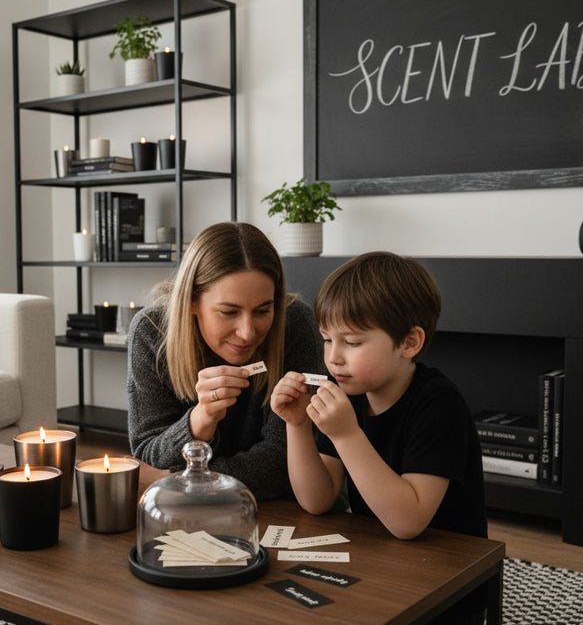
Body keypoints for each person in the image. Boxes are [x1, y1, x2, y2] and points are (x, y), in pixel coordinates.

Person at [271, 251, 487, 540]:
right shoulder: (350, 394)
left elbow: (408, 523)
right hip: (380, 555)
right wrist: (297, 426)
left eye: (351, 342)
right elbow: (317, 501)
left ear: (409, 343)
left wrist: (346, 435)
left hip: (450, 565)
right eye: (327, 339)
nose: (333, 357)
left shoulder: (440, 404)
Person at [127, 222, 324, 500]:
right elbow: (148, 458)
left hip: (283, 510)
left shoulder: (295, 325)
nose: (247, 332)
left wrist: (178, 481)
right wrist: (200, 420)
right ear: (192, 301)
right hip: (184, 512)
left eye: (262, 310)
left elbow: (283, 464)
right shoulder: (151, 331)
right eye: (229, 312)